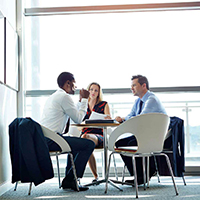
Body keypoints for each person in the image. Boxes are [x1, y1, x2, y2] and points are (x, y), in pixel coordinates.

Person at [40, 72, 95, 191]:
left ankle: (71, 179)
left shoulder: (56, 96)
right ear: (68, 83)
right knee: (88, 144)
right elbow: (79, 118)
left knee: (76, 145)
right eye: (74, 84)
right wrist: (85, 99)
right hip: (52, 139)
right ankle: (71, 179)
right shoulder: (64, 97)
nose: (76, 87)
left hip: (46, 138)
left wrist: (81, 101)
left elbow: (73, 112)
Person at [115, 75, 167, 185]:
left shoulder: (151, 99)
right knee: (120, 144)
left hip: (154, 138)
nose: (131, 88)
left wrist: (126, 119)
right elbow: (131, 116)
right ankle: (141, 174)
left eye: (134, 85)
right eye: (131, 86)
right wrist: (123, 118)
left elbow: (141, 118)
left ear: (144, 85)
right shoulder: (138, 101)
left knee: (130, 143)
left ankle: (144, 173)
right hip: (143, 135)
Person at [81, 82, 111, 182]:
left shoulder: (104, 104)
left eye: (96, 90)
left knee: (85, 140)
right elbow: (77, 122)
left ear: (99, 93)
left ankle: (95, 176)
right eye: (91, 89)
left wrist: (107, 119)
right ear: (88, 91)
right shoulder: (83, 105)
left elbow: (109, 120)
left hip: (100, 135)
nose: (93, 92)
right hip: (85, 133)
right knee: (85, 139)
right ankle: (95, 176)